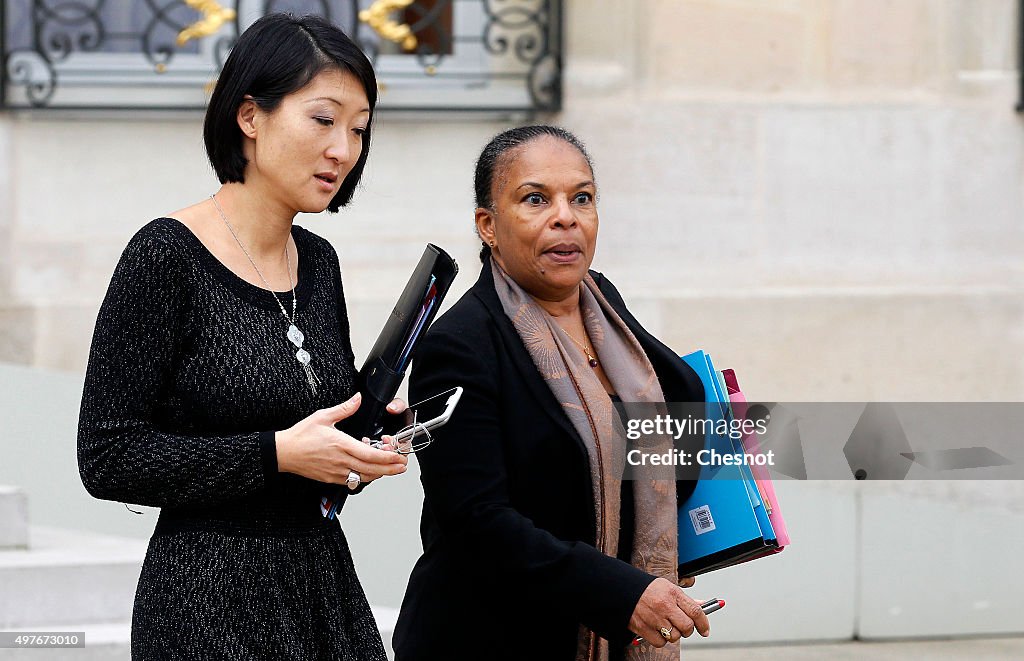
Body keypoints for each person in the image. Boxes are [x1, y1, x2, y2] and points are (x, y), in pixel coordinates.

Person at [77, 14, 409, 660]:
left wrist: (353, 446)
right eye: (323, 119)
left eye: (359, 129)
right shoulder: (165, 255)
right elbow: (107, 454)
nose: (344, 148)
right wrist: (276, 453)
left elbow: (312, 463)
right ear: (250, 116)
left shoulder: (319, 263)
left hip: (320, 587)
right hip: (205, 599)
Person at [393, 126, 712, 661]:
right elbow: (477, 522)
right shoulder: (460, 345)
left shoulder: (603, 307)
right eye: (536, 199)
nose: (566, 216)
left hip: (609, 634)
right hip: (493, 639)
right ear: (488, 226)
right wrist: (623, 590)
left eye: (581, 198)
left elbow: (666, 417)